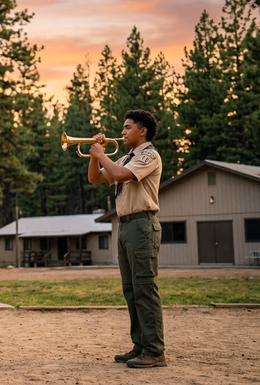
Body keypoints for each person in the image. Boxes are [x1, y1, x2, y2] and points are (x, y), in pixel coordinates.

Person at [87, 109, 166, 368]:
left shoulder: (148, 155)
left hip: (142, 225)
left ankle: (155, 350)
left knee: (145, 288)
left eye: (127, 127)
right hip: (125, 226)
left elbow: (121, 176)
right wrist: (94, 155)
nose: (122, 132)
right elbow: (95, 177)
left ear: (142, 131)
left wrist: (101, 154)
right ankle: (140, 346)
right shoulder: (124, 157)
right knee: (131, 290)